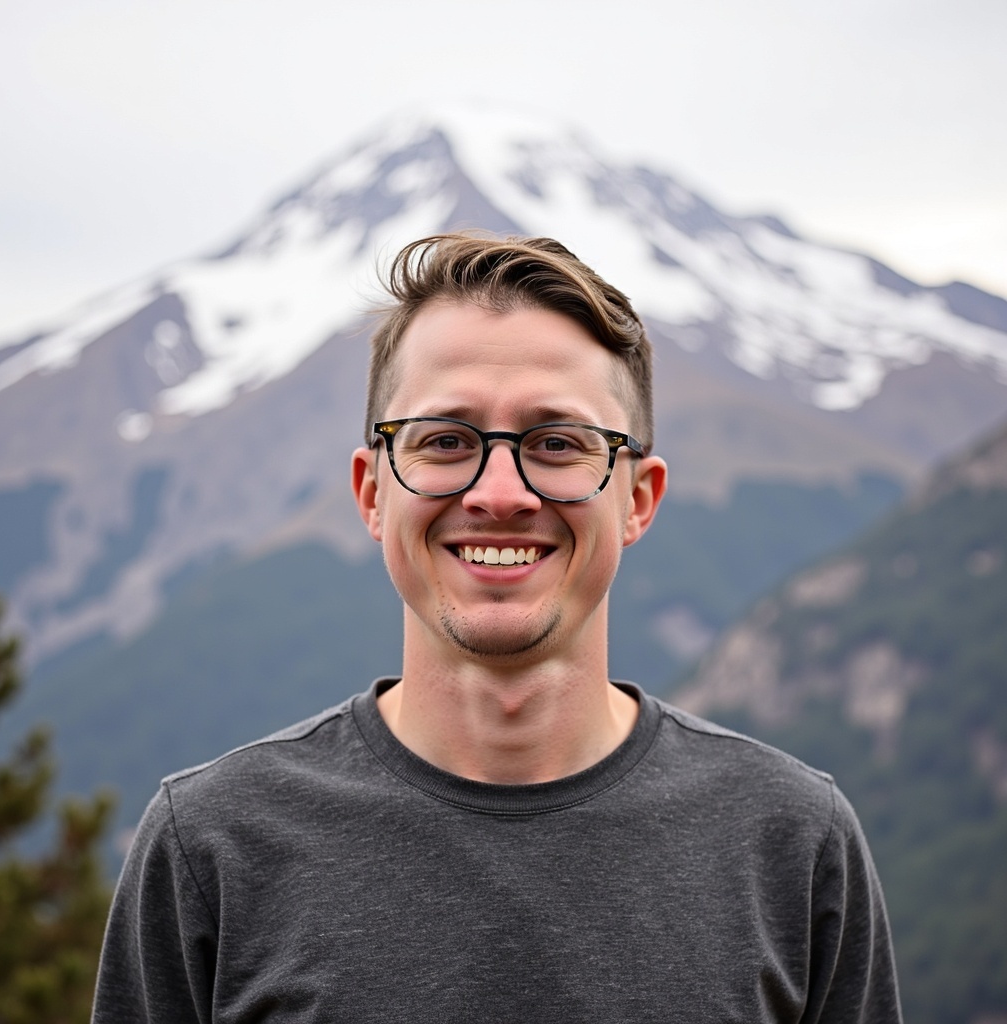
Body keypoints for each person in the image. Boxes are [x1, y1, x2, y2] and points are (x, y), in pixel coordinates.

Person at [92, 233, 902, 1022]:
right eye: (446, 440)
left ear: (638, 500)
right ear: (372, 492)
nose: (502, 491)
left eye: (557, 443)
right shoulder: (209, 849)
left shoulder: (794, 843)